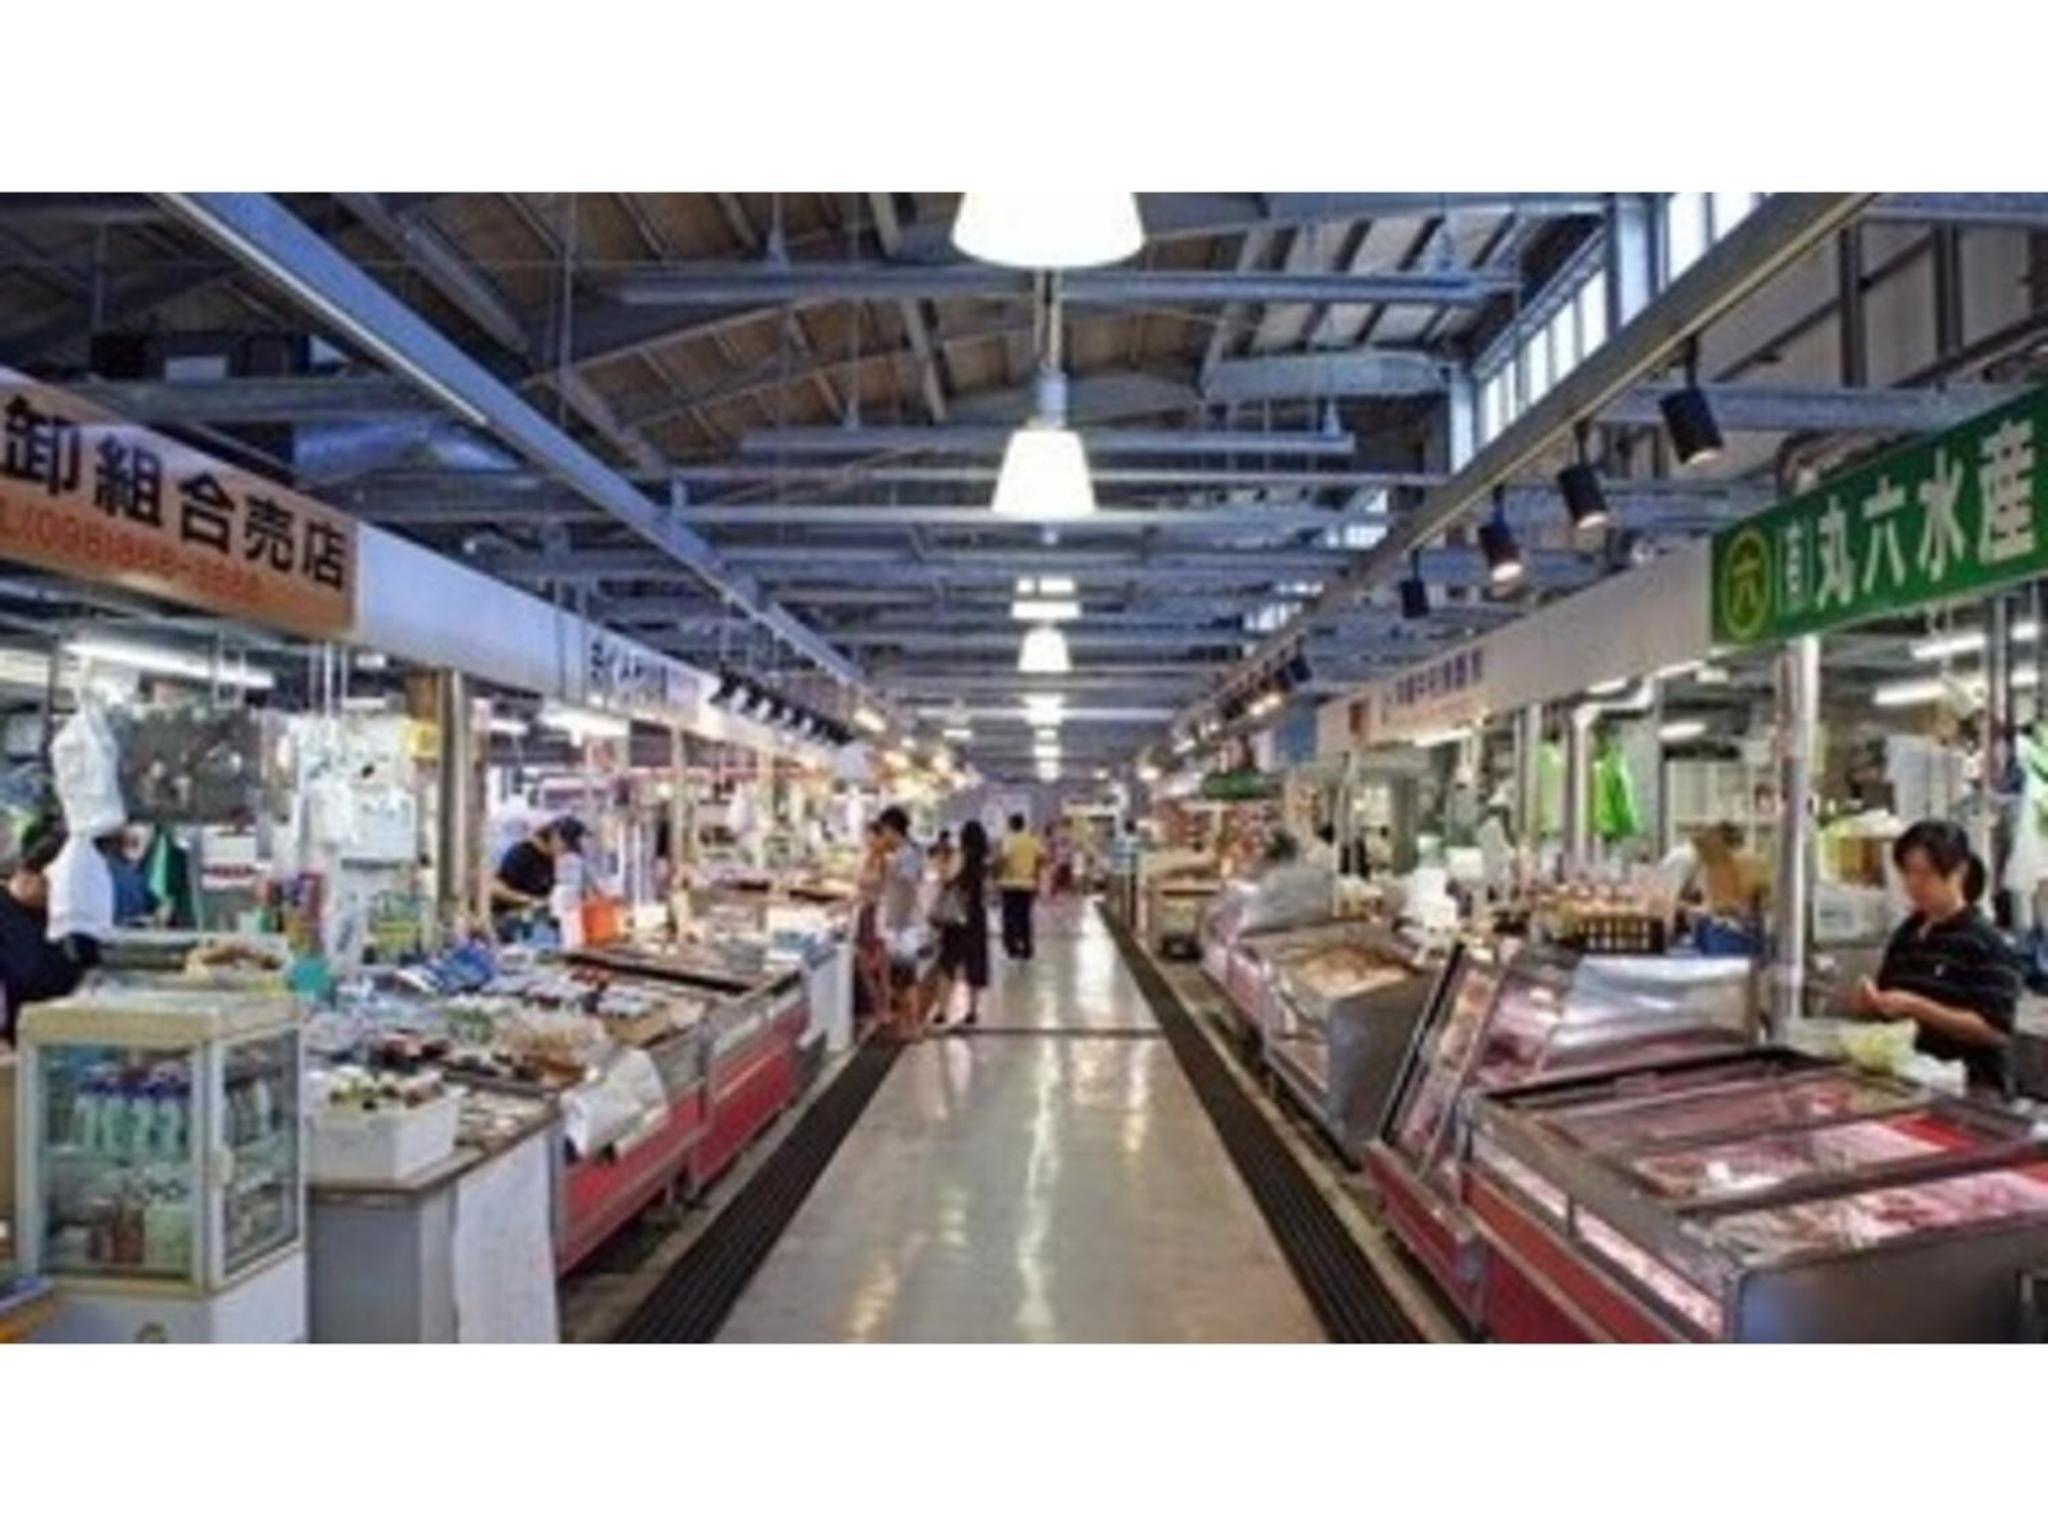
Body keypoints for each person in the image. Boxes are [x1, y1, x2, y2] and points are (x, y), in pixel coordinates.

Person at [1855, 820, 2020, 1093]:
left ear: (1960, 872)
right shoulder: (1906, 934)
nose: (1913, 884)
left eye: (1925, 873)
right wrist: (1873, 1003)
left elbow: (1995, 1030)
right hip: (1911, 1084)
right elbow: (1890, 1004)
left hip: (1969, 1094)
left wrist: (1918, 1007)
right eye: (1908, 872)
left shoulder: (1987, 942)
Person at [1, 828, 103, 1042]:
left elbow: (90, 964)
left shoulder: (66, 917)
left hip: (59, 1038)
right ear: (29, 874)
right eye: (53, 889)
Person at [926, 820, 991, 1032]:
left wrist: (939, 863)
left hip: (956, 918)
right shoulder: (983, 861)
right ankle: (972, 1010)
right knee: (974, 962)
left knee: (948, 963)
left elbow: (947, 878)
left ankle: (942, 1011)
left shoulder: (960, 856)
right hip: (976, 916)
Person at [491, 816, 586, 929]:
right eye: (566, 847)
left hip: (534, 920)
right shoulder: (521, 853)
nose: (565, 852)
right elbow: (495, 888)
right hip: (510, 920)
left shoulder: (549, 858)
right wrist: (528, 900)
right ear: (555, 836)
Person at [997, 813, 1044, 960]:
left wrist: (997, 874)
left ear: (1011, 825)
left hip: (1009, 884)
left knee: (1009, 917)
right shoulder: (1032, 839)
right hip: (1027, 884)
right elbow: (1042, 856)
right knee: (1025, 917)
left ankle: (1012, 948)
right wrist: (1035, 872)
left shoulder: (1009, 839)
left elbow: (1003, 858)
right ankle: (1027, 948)